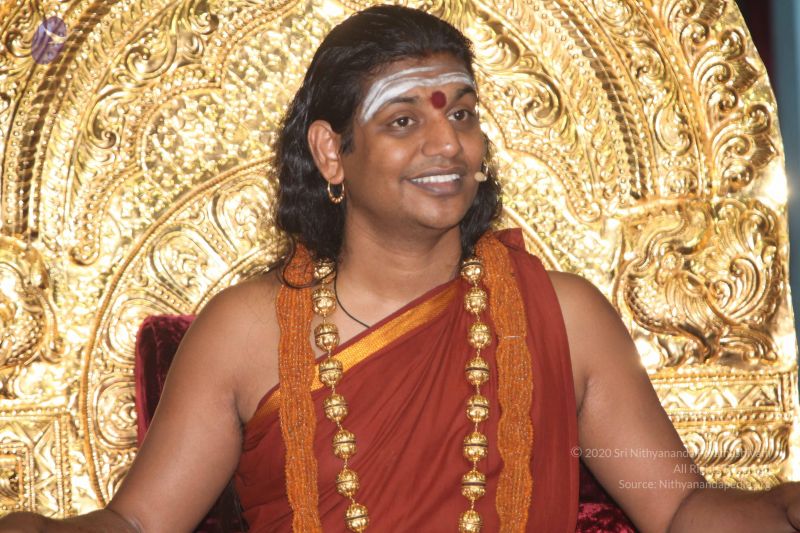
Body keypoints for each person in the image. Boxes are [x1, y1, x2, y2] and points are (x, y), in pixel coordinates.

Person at [3, 4, 800, 532]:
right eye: (403, 119)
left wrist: (782, 510)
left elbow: (676, 505)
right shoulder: (246, 332)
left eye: (462, 113)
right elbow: (138, 522)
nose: (447, 143)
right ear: (331, 152)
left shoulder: (564, 315)